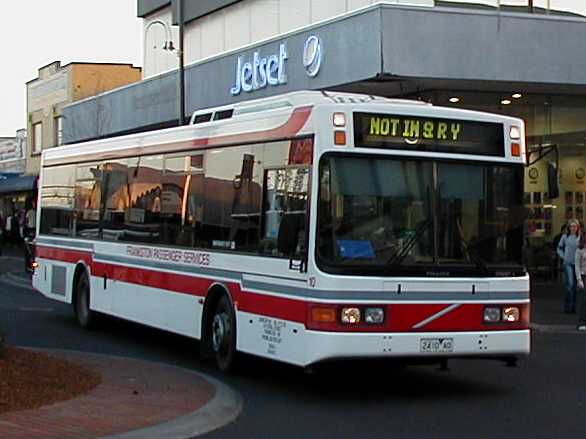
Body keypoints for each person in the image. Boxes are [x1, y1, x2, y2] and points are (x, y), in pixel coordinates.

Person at [557, 219, 581, 313]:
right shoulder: (565, 237)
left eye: (574, 226)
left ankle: (573, 307)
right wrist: (564, 257)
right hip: (568, 263)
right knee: (569, 285)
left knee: (576, 286)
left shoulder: (580, 237)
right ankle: (567, 306)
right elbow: (559, 248)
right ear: (568, 227)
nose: (573, 228)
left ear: (577, 227)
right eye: (571, 226)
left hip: (577, 264)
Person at [575, 233, 586, 331]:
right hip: (583, 275)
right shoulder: (580, 250)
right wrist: (579, 279)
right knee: (584, 300)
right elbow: (577, 265)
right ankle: (582, 322)